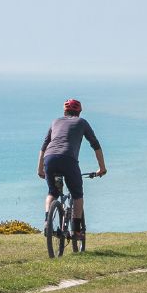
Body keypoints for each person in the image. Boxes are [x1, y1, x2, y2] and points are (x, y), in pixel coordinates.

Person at [38, 98, 106, 241]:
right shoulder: (82, 122)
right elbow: (95, 144)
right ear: (79, 112)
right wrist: (102, 167)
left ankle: (47, 222)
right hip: (68, 160)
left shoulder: (55, 122)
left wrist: (40, 169)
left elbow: (44, 147)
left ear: (64, 111)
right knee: (77, 195)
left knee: (52, 192)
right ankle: (76, 231)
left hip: (49, 159)